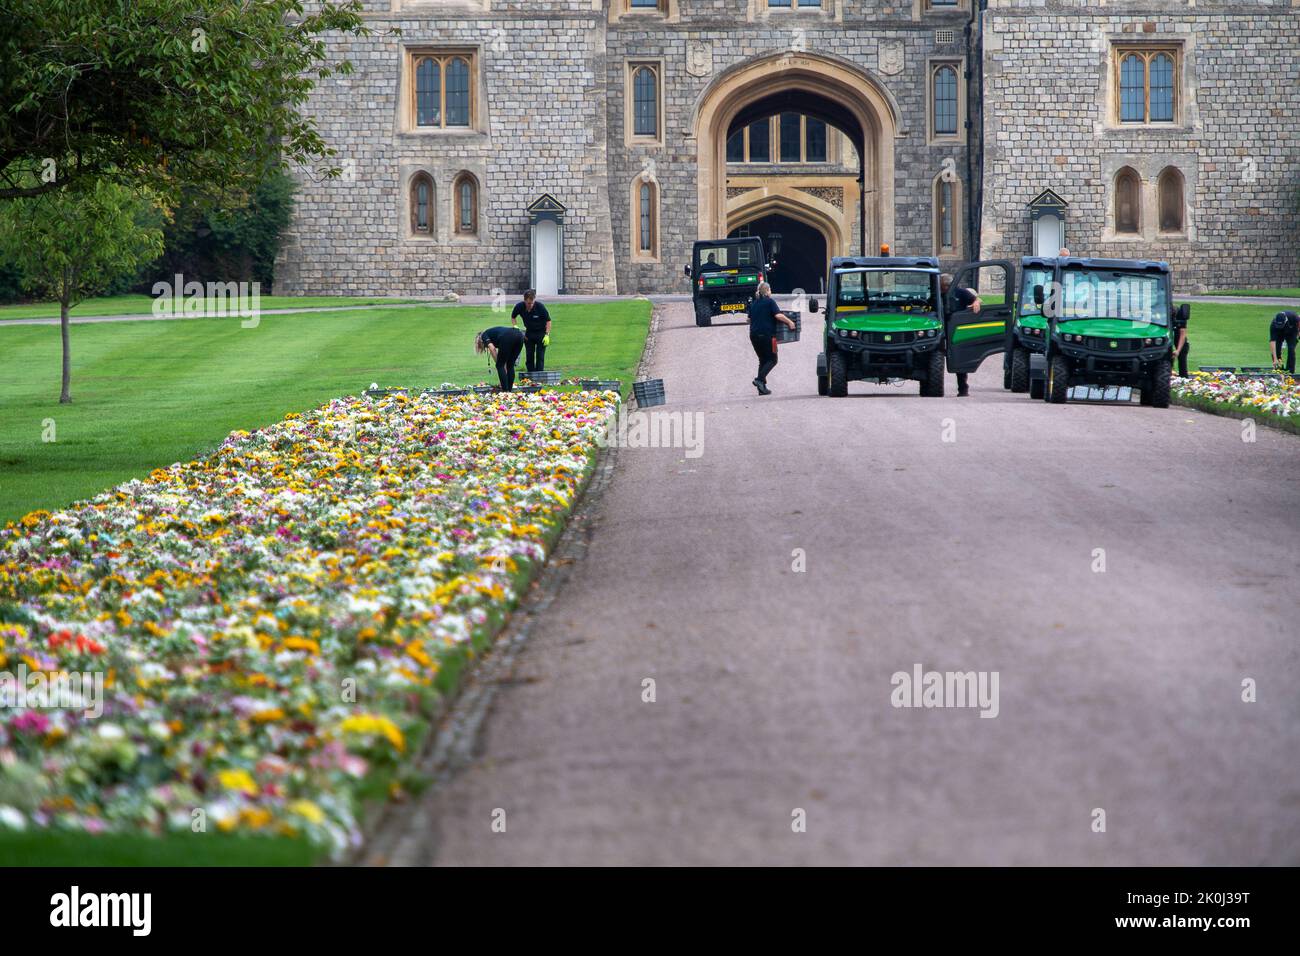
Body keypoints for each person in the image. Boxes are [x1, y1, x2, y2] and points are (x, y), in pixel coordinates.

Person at [747, 281, 797, 396]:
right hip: (767, 335)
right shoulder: (770, 302)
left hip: (754, 336)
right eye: (770, 290)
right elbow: (778, 315)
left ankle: (762, 388)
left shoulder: (754, 303)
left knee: (763, 360)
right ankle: (759, 380)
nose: (771, 292)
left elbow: (748, 320)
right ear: (767, 291)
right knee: (772, 360)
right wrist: (790, 322)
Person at [940, 273, 982, 397]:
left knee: (959, 357)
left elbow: (977, 298)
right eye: (943, 286)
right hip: (941, 328)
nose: (944, 288)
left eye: (946, 286)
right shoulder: (937, 293)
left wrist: (976, 303)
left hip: (957, 328)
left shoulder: (960, 292)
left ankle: (963, 389)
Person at [510, 289, 551, 374]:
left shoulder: (540, 307)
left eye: (532, 303)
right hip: (529, 333)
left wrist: (547, 334)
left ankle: (539, 375)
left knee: (540, 356)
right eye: (528, 303)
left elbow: (548, 320)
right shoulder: (519, 306)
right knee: (529, 355)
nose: (530, 305)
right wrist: (515, 327)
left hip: (541, 333)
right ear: (524, 300)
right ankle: (530, 374)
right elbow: (513, 317)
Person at [475, 326, 525, 391]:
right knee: (510, 365)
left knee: (499, 365)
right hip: (520, 336)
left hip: (507, 337)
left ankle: (505, 391)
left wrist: (499, 364)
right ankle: (509, 390)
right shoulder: (492, 333)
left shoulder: (484, 335)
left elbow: (492, 348)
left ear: (479, 340)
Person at [1173, 305, 1190, 377]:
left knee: (1182, 356)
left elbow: (1182, 334)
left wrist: (1178, 351)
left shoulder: (1180, 316)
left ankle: (1183, 377)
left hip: (1178, 336)